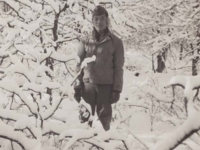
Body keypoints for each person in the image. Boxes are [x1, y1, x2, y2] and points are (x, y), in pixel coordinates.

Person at [74, 5, 124, 131]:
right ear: (92, 20)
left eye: (102, 19)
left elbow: (119, 68)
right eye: (96, 19)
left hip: (105, 89)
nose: (99, 22)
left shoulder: (116, 42)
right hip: (87, 88)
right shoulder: (84, 40)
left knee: (104, 123)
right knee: (84, 121)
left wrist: (117, 89)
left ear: (107, 20)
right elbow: (78, 64)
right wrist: (77, 86)